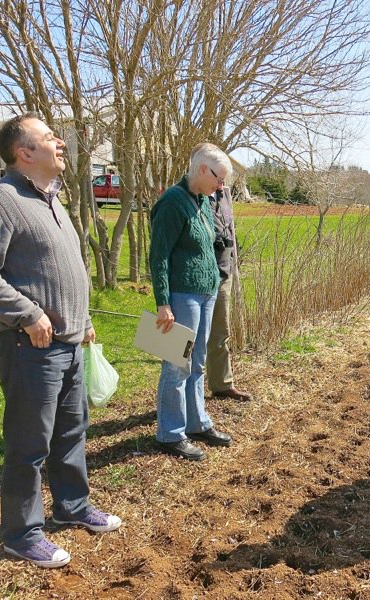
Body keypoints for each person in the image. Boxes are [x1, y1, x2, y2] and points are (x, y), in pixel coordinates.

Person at [0, 113, 121, 569]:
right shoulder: (0, 201)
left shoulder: (51, 200)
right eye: (48, 137)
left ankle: (72, 506)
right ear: (23, 152)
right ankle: (22, 534)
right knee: (29, 445)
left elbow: (60, 269)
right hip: (28, 346)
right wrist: (27, 314)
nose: (60, 143)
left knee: (71, 431)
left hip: (68, 341)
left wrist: (83, 318)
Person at [150, 142, 234, 461]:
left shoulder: (201, 200)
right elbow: (158, 256)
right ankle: (170, 433)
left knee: (197, 361)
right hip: (182, 296)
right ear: (201, 169)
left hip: (206, 293)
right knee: (177, 364)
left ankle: (196, 422)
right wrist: (163, 303)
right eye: (218, 178)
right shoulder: (172, 202)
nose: (220, 186)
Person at [206, 182, 253, 402]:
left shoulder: (224, 194)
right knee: (185, 338)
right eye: (218, 177)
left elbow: (229, 228)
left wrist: (233, 262)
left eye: (224, 178)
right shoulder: (190, 194)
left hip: (224, 273)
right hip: (195, 279)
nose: (222, 183)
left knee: (220, 333)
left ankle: (222, 384)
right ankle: (178, 394)